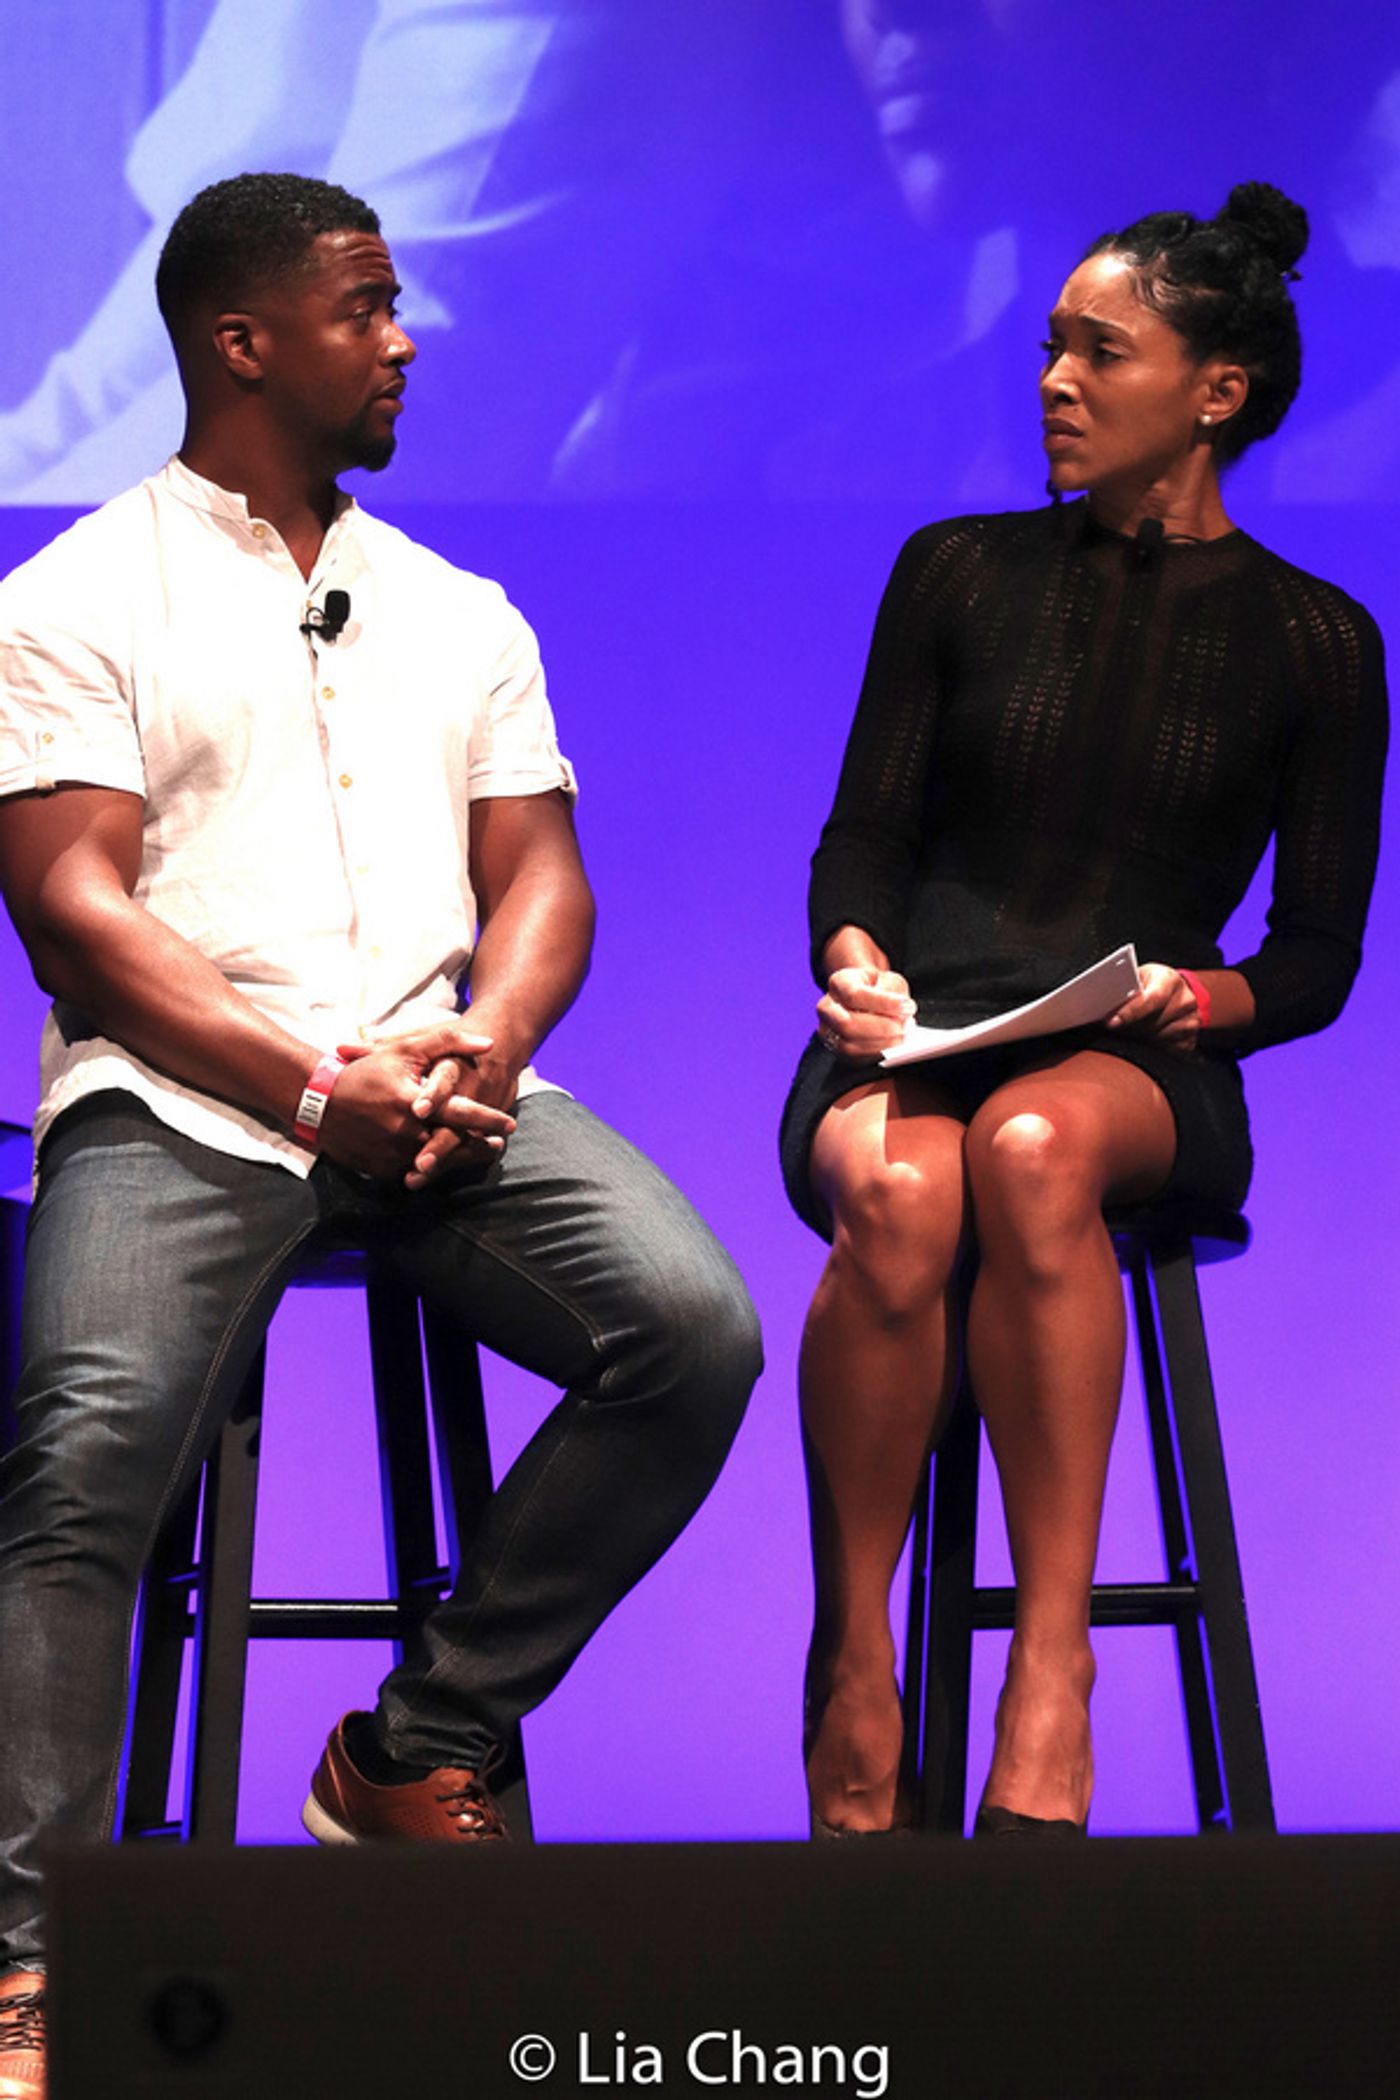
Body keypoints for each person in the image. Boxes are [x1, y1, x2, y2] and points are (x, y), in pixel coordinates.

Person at [0, 170, 761, 2092]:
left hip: (437, 1096)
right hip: (191, 1104)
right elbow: (77, 908)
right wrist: (308, 1086)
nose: (403, 335)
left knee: (691, 1328)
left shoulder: (456, 608)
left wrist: (483, 1046)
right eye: (365, 307)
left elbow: (543, 880)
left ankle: (422, 1736)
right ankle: (33, 1961)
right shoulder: (76, 596)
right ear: (244, 343)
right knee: (84, 1454)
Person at [781, 181, 1388, 1839]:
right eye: (1048, 346)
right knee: (904, 1192)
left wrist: (1215, 993)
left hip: (1134, 1054)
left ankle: (1054, 1669)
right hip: (919, 1024)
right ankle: (856, 1651)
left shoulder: (1318, 642)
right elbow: (870, 836)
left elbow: (1319, 957)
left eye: (1095, 351)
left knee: (1037, 1149)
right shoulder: (957, 571)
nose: (1050, 377)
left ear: (1216, 393)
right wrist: (853, 953)